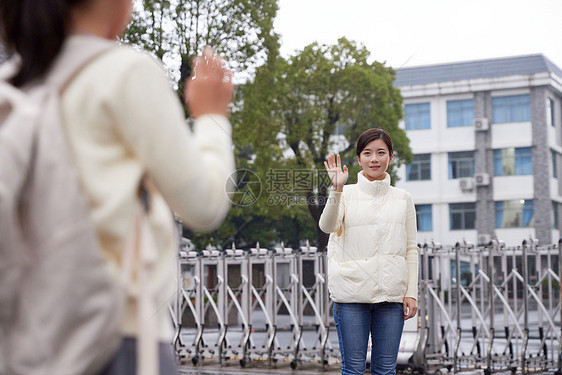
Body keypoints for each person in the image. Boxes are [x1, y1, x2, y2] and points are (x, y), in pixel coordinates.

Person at [1, 0, 235, 374]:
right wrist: (211, 117)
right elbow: (204, 203)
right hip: (117, 335)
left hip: (29, 335)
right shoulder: (124, 72)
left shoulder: (12, 83)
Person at [319, 128, 419, 375]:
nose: (374, 159)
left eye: (381, 153)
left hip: (391, 297)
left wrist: (411, 293)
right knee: (353, 369)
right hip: (351, 296)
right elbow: (327, 226)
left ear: (391, 158)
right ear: (359, 158)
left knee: (385, 370)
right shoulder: (346, 193)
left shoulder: (403, 198)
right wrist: (336, 190)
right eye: (368, 153)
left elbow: (410, 248)